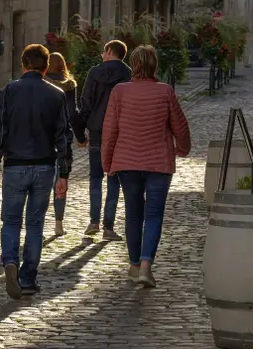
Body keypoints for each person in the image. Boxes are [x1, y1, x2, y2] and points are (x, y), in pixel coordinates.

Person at [102, 45, 191, 288]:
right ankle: (145, 265)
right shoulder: (165, 91)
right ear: (154, 65)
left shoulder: (119, 92)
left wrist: (107, 162)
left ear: (133, 65)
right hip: (158, 164)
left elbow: (110, 131)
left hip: (127, 163)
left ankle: (133, 264)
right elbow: (180, 126)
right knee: (153, 215)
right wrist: (183, 148)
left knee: (133, 214)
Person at [0, 44, 71, 299]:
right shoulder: (56, 94)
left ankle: (10, 261)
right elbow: (63, 136)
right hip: (44, 166)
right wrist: (64, 173)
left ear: (23, 64)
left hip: (15, 165)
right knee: (35, 223)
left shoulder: (8, 91)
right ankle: (28, 278)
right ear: (45, 67)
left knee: (11, 221)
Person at [73, 40, 131, 239]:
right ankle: (108, 226)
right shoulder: (127, 74)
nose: (102, 55)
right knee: (114, 178)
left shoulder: (94, 73)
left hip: (97, 130)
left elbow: (86, 103)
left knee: (96, 177)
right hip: (119, 131)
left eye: (103, 51)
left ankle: (94, 221)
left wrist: (81, 133)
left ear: (109, 51)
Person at [45, 52, 77, 237]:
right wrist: (79, 135)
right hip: (63, 137)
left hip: (43, 137)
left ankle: (39, 221)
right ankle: (58, 223)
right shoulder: (69, 85)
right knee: (61, 180)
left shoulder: (42, 84)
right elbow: (72, 113)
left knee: (42, 183)